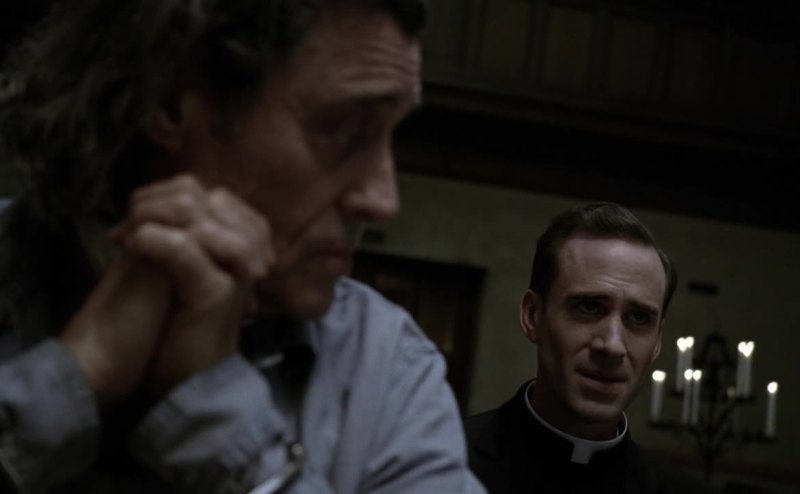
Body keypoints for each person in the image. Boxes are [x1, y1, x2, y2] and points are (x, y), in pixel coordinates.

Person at [0, 1, 485, 492]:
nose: (383, 200)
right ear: (169, 102)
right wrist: (66, 385)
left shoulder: (383, 368)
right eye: (344, 132)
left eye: (392, 137)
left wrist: (230, 434)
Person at [465, 202, 714, 493]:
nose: (612, 346)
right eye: (589, 307)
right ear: (533, 316)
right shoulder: (439, 464)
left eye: (638, 317)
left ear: (657, 341)